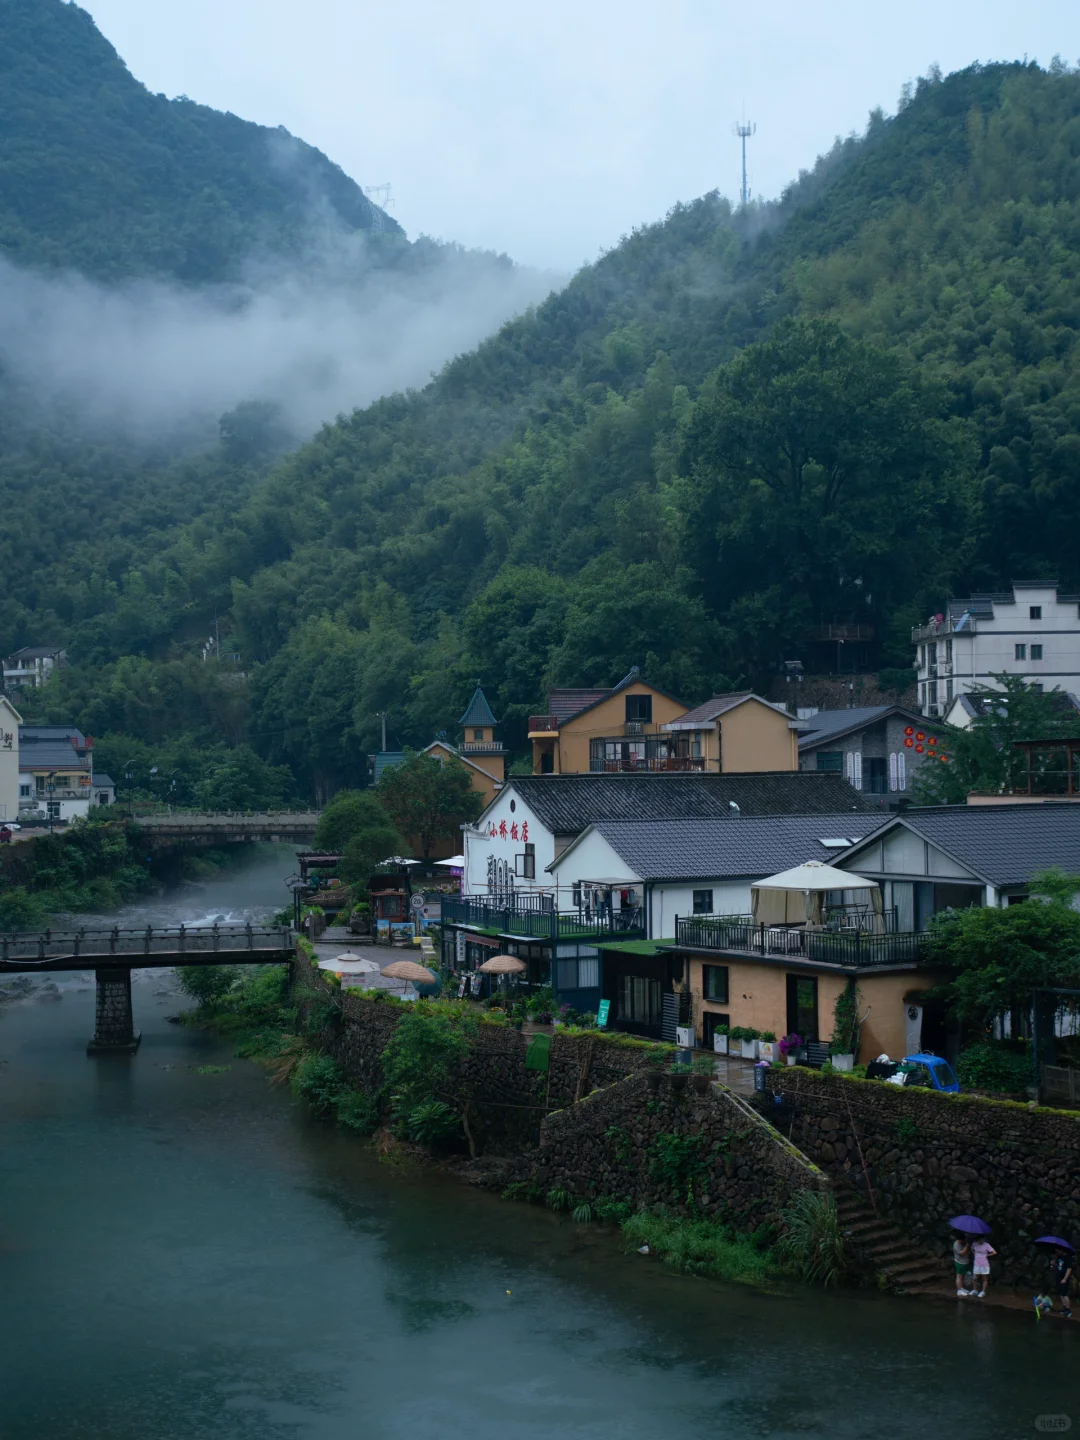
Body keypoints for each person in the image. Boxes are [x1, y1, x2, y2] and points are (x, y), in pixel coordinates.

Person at [1050, 1246, 1074, 1319]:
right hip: (1059, 1277)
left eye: (1058, 1251)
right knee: (1061, 1294)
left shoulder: (1068, 1258)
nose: (1057, 1252)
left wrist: (1065, 1279)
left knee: (1064, 1294)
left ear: (1062, 1250)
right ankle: (1065, 1308)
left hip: (1064, 1278)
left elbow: (1069, 1269)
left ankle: (1068, 1310)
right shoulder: (1060, 1258)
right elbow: (1059, 1267)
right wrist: (1054, 1264)